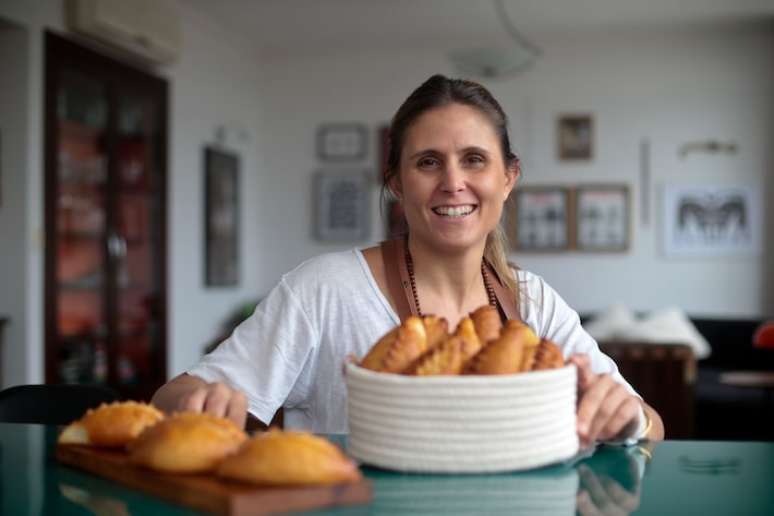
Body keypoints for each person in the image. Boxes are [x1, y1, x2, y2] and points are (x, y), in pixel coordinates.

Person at [152, 74, 664, 446]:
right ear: (396, 183)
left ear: (508, 178)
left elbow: (651, 424)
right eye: (427, 162)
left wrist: (628, 420)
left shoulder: (535, 304)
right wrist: (199, 404)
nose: (452, 182)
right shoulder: (325, 289)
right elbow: (174, 396)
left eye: (474, 159)